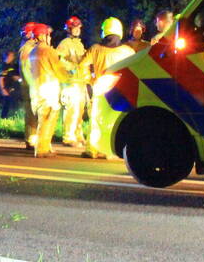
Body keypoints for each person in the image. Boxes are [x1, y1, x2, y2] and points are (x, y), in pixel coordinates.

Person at [82, 17, 136, 159]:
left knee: (95, 119)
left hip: (100, 89)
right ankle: (109, 152)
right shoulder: (128, 51)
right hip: (120, 92)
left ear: (104, 32)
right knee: (114, 121)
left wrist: (90, 80)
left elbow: (81, 66)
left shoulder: (95, 49)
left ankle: (91, 150)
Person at [28, 23, 72, 158]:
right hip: (48, 90)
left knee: (42, 120)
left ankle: (45, 147)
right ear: (42, 35)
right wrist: (69, 77)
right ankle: (42, 150)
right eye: (48, 35)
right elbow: (59, 71)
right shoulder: (48, 51)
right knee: (47, 119)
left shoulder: (32, 52)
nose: (50, 37)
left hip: (36, 89)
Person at [55, 15, 89, 147]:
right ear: (69, 29)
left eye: (78, 27)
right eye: (74, 27)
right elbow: (58, 59)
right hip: (70, 82)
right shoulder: (65, 43)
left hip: (80, 81)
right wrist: (71, 68)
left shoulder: (79, 44)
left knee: (80, 110)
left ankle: (78, 135)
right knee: (71, 110)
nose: (77, 29)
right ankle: (68, 137)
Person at [17, 22, 39, 149]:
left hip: (32, 85)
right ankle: (31, 139)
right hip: (30, 86)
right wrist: (33, 85)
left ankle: (34, 138)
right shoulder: (27, 48)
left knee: (34, 112)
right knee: (31, 113)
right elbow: (26, 69)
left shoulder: (31, 47)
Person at [0, 50, 21, 119]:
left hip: (11, 87)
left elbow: (13, 76)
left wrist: (19, 79)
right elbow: (0, 79)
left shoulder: (12, 66)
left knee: (12, 103)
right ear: (8, 56)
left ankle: (10, 117)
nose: (13, 57)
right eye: (12, 55)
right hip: (5, 88)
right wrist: (3, 89)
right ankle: (3, 118)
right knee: (6, 104)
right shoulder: (3, 66)